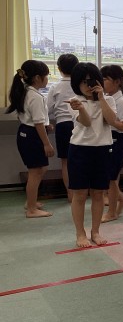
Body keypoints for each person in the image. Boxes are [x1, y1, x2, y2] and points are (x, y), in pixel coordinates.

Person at [67, 62, 119, 247]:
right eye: (83, 82)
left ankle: (95, 231)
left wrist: (101, 97)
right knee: (79, 194)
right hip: (79, 149)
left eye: (91, 81)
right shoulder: (74, 101)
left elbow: (111, 120)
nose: (88, 86)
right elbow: (86, 123)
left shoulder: (109, 100)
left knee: (99, 193)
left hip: (102, 149)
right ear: (76, 83)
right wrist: (81, 108)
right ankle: (80, 233)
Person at [6, 60, 55, 218]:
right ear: (37, 78)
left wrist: (46, 126)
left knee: (40, 170)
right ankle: (31, 209)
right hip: (32, 135)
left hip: (26, 132)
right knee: (35, 172)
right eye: (46, 76)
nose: (47, 79)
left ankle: (31, 202)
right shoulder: (34, 96)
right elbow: (38, 122)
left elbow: (33, 118)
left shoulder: (26, 92)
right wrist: (47, 144)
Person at [100, 64, 123, 222]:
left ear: (117, 82)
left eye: (105, 79)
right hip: (110, 140)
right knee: (110, 177)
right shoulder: (109, 98)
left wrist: (111, 121)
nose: (102, 82)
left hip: (117, 141)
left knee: (112, 179)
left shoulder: (119, 101)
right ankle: (122, 199)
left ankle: (112, 212)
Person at [47, 53, 78, 202]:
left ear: (59, 68)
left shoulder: (55, 86)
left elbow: (48, 109)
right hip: (80, 123)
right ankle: (82, 191)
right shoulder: (80, 85)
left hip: (63, 125)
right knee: (81, 159)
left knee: (65, 161)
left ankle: (70, 194)